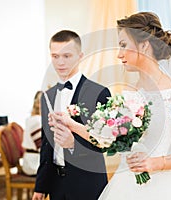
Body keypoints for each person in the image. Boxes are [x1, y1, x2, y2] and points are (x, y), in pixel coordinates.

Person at [96, 12, 171, 199]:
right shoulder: (131, 91)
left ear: (144, 45)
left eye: (123, 45)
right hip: (125, 185)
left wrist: (157, 163)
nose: (119, 54)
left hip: (162, 188)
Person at [32, 30, 111, 200]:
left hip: (87, 182)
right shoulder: (48, 95)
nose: (60, 62)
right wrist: (41, 186)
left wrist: (73, 144)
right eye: (55, 56)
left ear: (80, 56)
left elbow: (105, 143)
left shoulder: (99, 93)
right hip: (56, 185)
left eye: (67, 56)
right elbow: (46, 146)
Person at [21, 90, 42, 176]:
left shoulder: (38, 119)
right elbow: (42, 147)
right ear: (37, 103)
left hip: (36, 159)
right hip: (33, 163)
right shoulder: (36, 121)